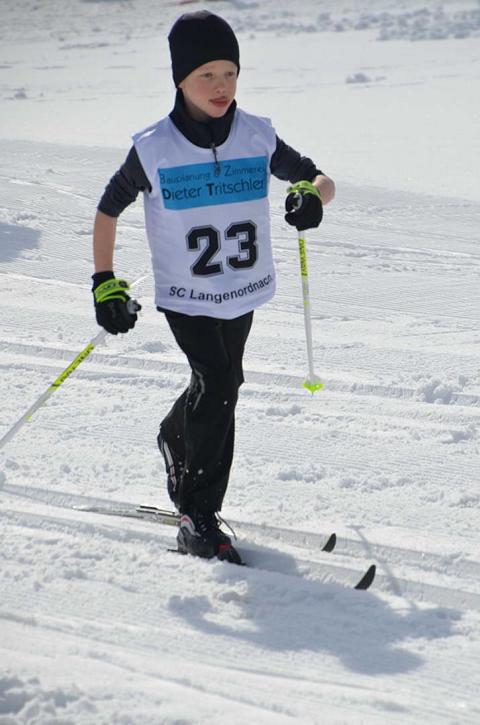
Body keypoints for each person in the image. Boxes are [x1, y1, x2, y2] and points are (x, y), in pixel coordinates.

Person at [92, 10, 335, 564]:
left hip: (242, 289)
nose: (221, 86)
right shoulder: (154, 148)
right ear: (180, 80)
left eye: (230, 73)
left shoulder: (256, 134)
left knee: (225, 380)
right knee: (219, 381)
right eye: (207, 75)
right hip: (188, 295)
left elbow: (319, 178)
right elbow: (108, 210)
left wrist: (311, 196)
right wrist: (103, 282)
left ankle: (176, 435)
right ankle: (196, 515)